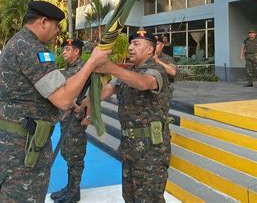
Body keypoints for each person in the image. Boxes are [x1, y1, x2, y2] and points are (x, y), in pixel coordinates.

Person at [0, 1, 110, 202]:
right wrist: (92, 62)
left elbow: (55, 90)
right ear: (43, 22)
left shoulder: (18, 42)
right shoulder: (31, 47)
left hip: (11, 143)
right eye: (57, 26)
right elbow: (62, 98)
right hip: (21, 148)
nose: (58, 33)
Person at [83, 29, 171, 202]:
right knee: (130, 196)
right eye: (131, 43)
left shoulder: (157, 70)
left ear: (150, 50)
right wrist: (86, 101)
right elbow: (108, 89)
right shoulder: (128, 72)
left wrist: (111, 67)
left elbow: (144, 83)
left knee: (149, 198)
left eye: (136, 44)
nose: (131, 47)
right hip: (129, 147)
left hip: (150, 150)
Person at [51, 38, 89, 203]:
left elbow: (96, 90)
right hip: (65, 118)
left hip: (76, 119)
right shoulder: (67, 69)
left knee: (75, 156)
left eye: (67, 49)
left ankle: (74, 193)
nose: (64, 52)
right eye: (64, 50)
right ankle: (70, 187)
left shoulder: (84, 69)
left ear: (76, 51)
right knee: (68, 153)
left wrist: (87, 113)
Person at [154, 35, 177, 99]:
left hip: (163, 93)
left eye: (157, 44)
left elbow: (173, 72)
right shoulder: (145, 57)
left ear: (162, 45)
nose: (154, 46)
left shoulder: (167, 58)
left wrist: (157, 61)